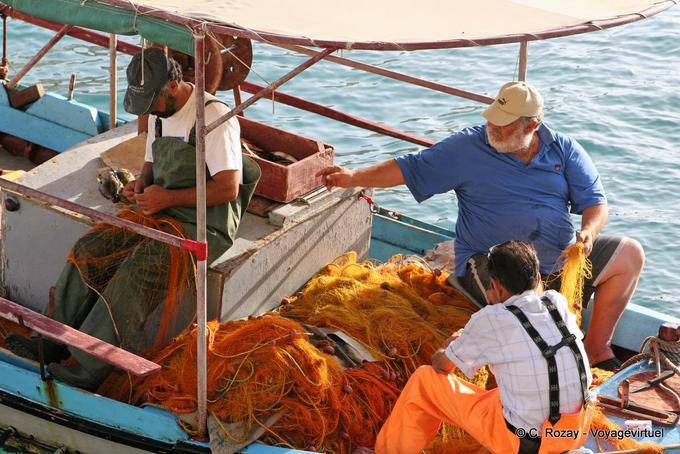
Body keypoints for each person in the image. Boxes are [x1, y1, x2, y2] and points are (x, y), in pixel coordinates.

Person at [318, 81, 644, 371]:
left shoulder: (565, 149)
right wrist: (352, 178)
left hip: (559, 259)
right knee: (530, 310)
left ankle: (597, 348)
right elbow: (409, 169)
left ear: (533, 125)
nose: (492, 127)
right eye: (491, 118)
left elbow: (596, 204)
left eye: (503, 124)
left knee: (629, 254)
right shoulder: (468, 148)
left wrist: (588, 233)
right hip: (494, 263)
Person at [5, 48, 260, 390]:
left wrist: (166, 198)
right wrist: (142, 184)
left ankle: (88, 367)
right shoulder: (157, 113)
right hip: (161, 209)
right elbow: (153, 161)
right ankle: (53, 339)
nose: (150, 109)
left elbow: (228, 189)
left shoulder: (213, 117)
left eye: (154, 100)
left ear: (174, 84)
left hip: (203, 225)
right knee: (91, 248)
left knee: (137, 272)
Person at [374, 241, 592, 454]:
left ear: (495, 284)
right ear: (536, 277)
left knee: (424, 380)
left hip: (526, 445)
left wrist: (449, 346)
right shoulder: (557, 303)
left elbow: (441, 366)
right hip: (575, 431)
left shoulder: (492, 318)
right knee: (505, 394)